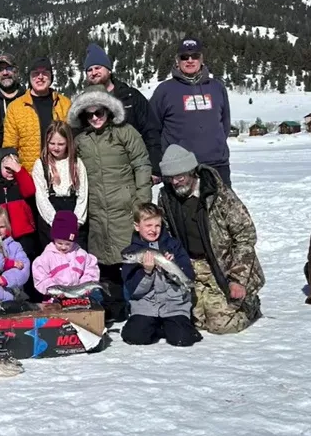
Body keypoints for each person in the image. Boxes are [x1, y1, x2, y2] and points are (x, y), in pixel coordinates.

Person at [157, 145, 265, 334]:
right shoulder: (166, 196)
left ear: (191, 171)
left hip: (222, 266)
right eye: (170, 178)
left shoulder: (218, 194)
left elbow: (245, 236)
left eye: (180, 177)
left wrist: (237, 279)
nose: (175, 182)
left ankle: (250, 306)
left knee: (220, 326)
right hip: (189, 265)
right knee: (193, 322)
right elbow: (165, 232)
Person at [68, 85, 152, 322]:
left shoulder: (125, 132)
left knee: (129, 259)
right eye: (89, 114)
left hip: (126, 208)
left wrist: (142, 203)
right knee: (104, 262)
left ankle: (137, 306)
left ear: (109, 111)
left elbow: (142, 164)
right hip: (97, 209)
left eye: (100, 112)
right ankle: (114, 308)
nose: (95, 118)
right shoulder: (81, 140)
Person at [149, 38, 233, 187]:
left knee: (221, 210)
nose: (190, 60)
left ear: (201, 59)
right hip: (178, 168)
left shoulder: (217, 87)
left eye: (194, 56)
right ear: (177, 60)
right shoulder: (164, 90)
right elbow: (152, 128)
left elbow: (225, 123)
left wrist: (215, 144)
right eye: (184, 57)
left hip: (217, 166)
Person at [121, 203, 201, 347]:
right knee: (134, 337)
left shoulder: (173, 245)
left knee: (183, 339)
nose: (153, 230)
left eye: (157, 226)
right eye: (148, 225)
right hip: (146, 305)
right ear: (137, 226)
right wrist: (147, 272)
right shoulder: (132, 251)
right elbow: (134, 289)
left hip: (173, 304)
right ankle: (156, 327)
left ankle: (171, 325)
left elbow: (188, 273)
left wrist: (173, 265)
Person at [83, 43, 162, 175]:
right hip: (99, 175)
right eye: (89, 70)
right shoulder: (83, 103)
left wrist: (154, 168)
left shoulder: (130, 96)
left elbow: (151, 131)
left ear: (109, 70)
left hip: (133, 170)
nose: (94, 73)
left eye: (98, 67)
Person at [3, 57, 71, 174]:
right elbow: (10, 146)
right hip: (29, 176)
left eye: (45, 73)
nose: (40, 77)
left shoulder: (65, 104)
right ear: (29, 77)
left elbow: (72, 141)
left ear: (51, 77)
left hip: (61, 175)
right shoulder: (15, 107)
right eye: (35, 73)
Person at [32, 121, 88, 249]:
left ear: (68, 143)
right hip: (51, 219)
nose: (56, 147)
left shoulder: (77, 163)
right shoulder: (41, 165)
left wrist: (77, 221)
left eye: (61, 144)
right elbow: (41, 198)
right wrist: (55, 222)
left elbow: (82, 195)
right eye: (52, 143)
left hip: (73, 215)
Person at [32, 211, 99, 297]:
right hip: (54, 300)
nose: (63, 247)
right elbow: (40, 277)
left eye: (68, 244)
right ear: (54, 239)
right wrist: (53, 289)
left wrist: (86, 285)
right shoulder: (47, 256)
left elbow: (91, 269)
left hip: (79, 297)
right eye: (59, 243)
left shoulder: (81, 254)